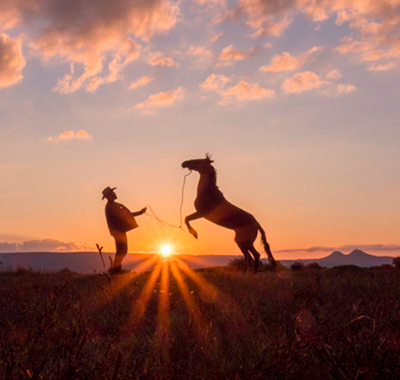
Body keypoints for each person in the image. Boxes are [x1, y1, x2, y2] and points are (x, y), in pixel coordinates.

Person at [102, 186, 146, 274]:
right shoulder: (111, 206)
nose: (115, 194)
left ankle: (116, 269)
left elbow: (125, 215)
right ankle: (115, 270)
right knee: (122, 250)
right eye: (112, 193)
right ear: (109, 196)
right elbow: (124, 215)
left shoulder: (113, 205)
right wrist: (139, 213)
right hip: (118, 231)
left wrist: (139, 213)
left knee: (121, 250)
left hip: (118, 231)